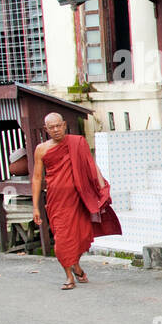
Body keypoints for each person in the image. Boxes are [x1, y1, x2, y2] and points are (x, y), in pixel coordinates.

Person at [31, 113, 121, 290]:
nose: (56, 130)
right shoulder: (41, 149)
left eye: (58, 126)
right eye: (52, 127)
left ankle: (76, 266)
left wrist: (103, 188)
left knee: (80, 236)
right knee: (62, 239)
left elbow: (91, 165)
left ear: (64, 125)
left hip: (79, 199)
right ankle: (69, 276)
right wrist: (35, 207)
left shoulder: (77, 142)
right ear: (46, 129)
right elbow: (36, 178)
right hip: (56, 201)